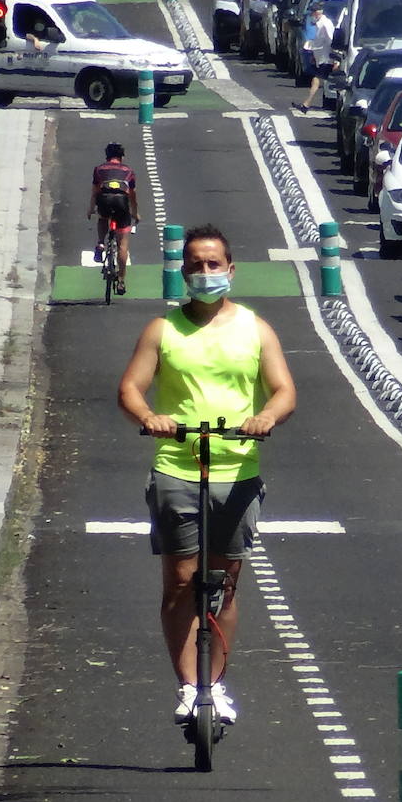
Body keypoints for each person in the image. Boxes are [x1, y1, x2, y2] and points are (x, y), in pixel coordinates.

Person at [117, 224, 297, 726]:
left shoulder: (256, 329)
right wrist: (150, 417)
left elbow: (284, 390)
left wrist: (265, 418)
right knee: (179, 581)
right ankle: (188, 686)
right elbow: (131, 388)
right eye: (195, 264)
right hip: (178, 465)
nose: (204, 272)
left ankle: (214, 685)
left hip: (237, 470)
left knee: (224, 582)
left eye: (213, 263)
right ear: (183, 272)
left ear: (231, 270)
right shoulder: (162, 330)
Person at [88, 143, 139, 295]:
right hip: (122, 203)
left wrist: (90, 209)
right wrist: (135, 213)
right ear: (122, 157)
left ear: (107, 156)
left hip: (104, 200)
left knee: (103, 217)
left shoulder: (99, 169)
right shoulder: (128, 171)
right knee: (123, 244)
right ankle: (121, 281)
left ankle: (100, 244)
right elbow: (132, 195)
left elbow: (95, 192)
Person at [292, 2, 335, 114]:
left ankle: (306, 104)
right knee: (319, 81)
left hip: (327, 58)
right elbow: (318, 42)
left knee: (318, 80)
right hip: (321, 58)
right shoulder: (320, 24)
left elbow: (331, 41)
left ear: (317, 13)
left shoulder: (325, 24)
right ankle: (306, 104)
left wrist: (336, 59)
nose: (311, 15)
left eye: (312, 13)